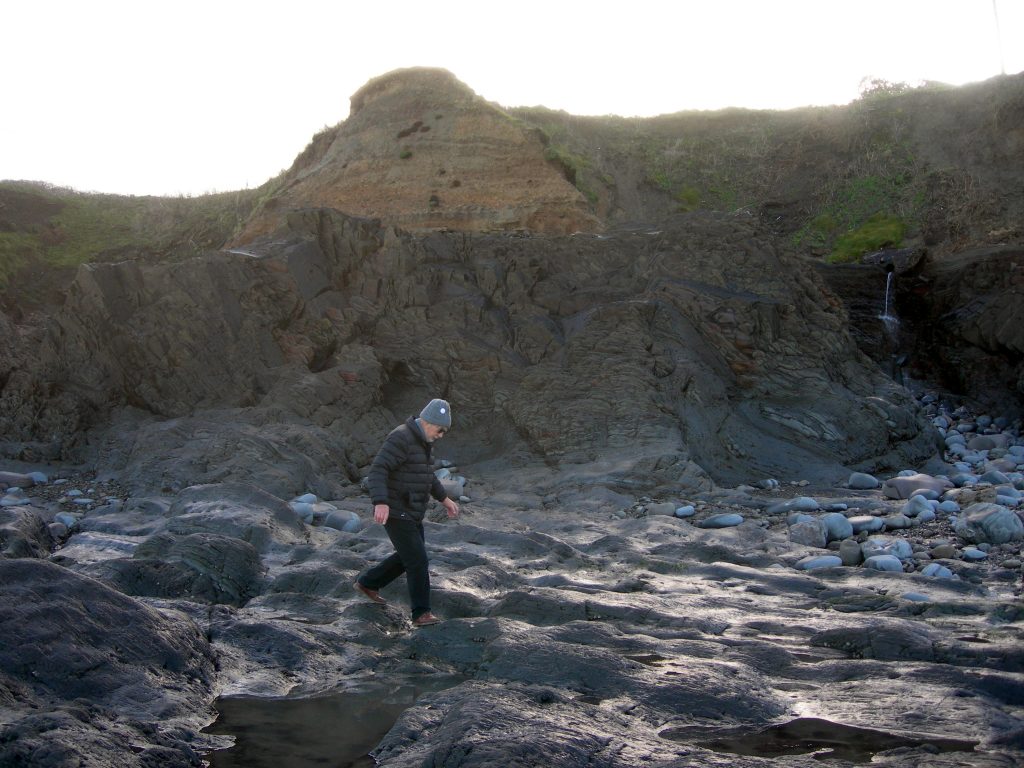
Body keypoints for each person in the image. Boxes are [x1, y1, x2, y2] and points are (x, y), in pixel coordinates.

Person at [354, 398, 459, 626]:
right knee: (418, 561)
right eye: (441, 430)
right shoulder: (401, 437)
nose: (441, 435)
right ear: (429, 421)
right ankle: (421, 614)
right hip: (396, 509)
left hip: (412, 511)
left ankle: (368, 583)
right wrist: (380, 502)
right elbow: (378, 469)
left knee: (407, 557)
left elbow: (427, 476)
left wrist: (445, 499)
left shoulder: (422, 443)